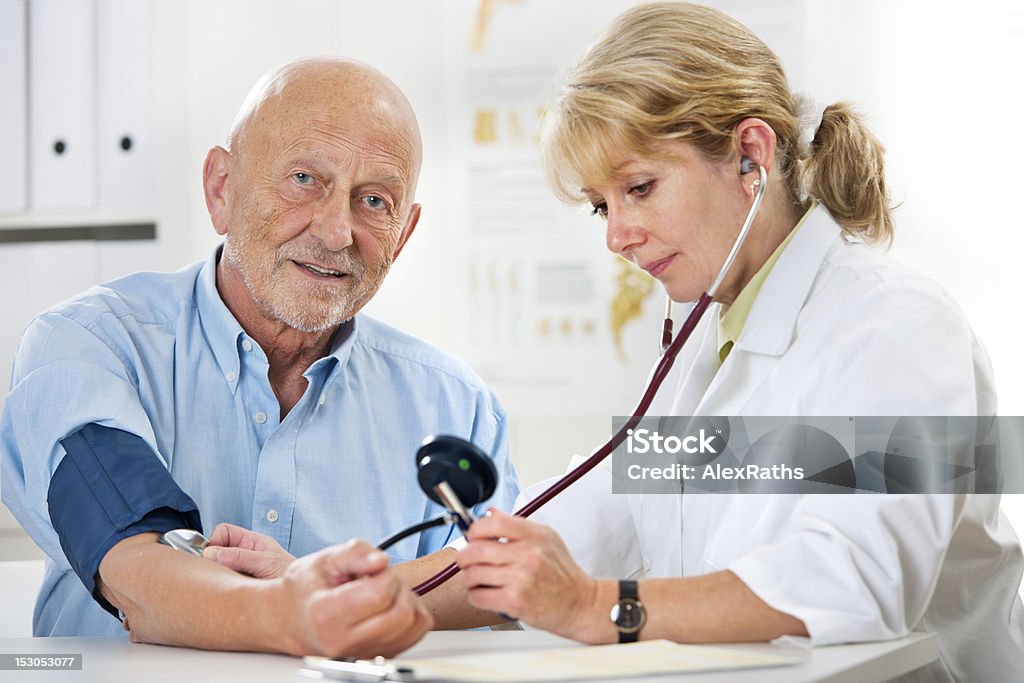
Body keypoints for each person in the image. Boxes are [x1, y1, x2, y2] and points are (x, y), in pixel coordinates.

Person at [448, 3, 1023, 681]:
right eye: (603, 204)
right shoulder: (708, 343)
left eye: (639, 187)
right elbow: (596, 515)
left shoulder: (899, 326)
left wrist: (597, 607)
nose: (616, 236)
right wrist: (382, 592)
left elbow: (856, 578)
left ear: (751, 154)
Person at [0, 57, 519, 656]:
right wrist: (297, 614)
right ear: (222, 189)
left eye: (374, 200)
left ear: (402, 235)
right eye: (304, 179)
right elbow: (135, 572)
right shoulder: (88, 347)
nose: (335, 231)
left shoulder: (458, 405)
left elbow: (502, 589)